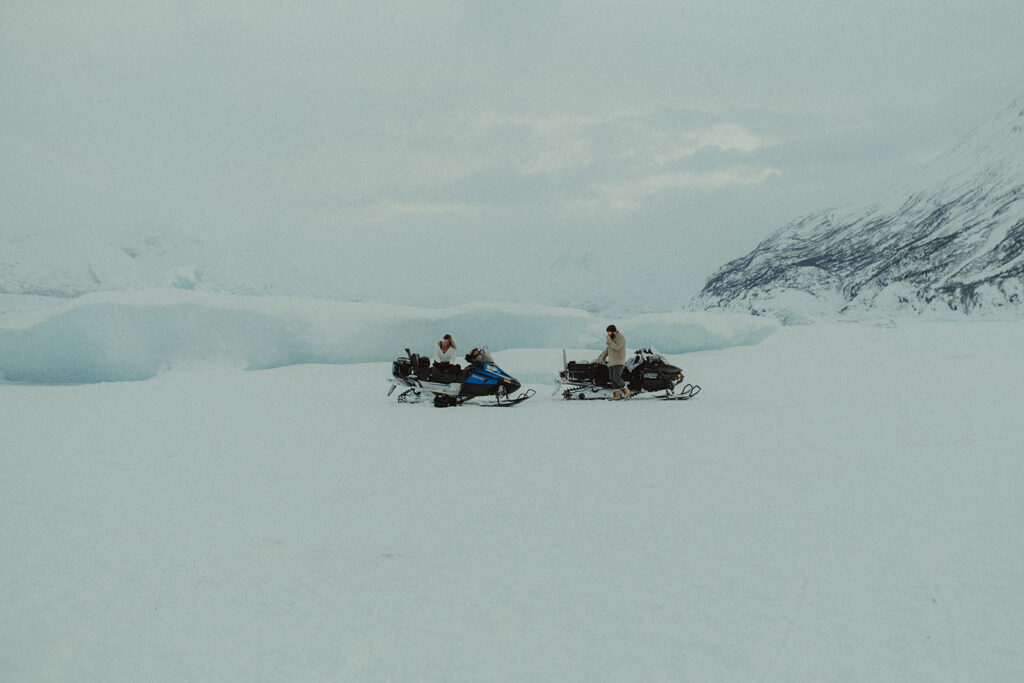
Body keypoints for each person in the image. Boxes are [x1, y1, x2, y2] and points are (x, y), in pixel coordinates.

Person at [597, 324, 630, 400]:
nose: (608, 334)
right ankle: (617, 395)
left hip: (618, 362)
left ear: (613, 331)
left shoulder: (621, 338)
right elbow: (608, 349)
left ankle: (627, 391)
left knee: (616, 377)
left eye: (609, 332)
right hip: (612, 362)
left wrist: (609, 340)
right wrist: (603, 358)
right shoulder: (612, 339)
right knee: (612, 379)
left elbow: (616, 347)